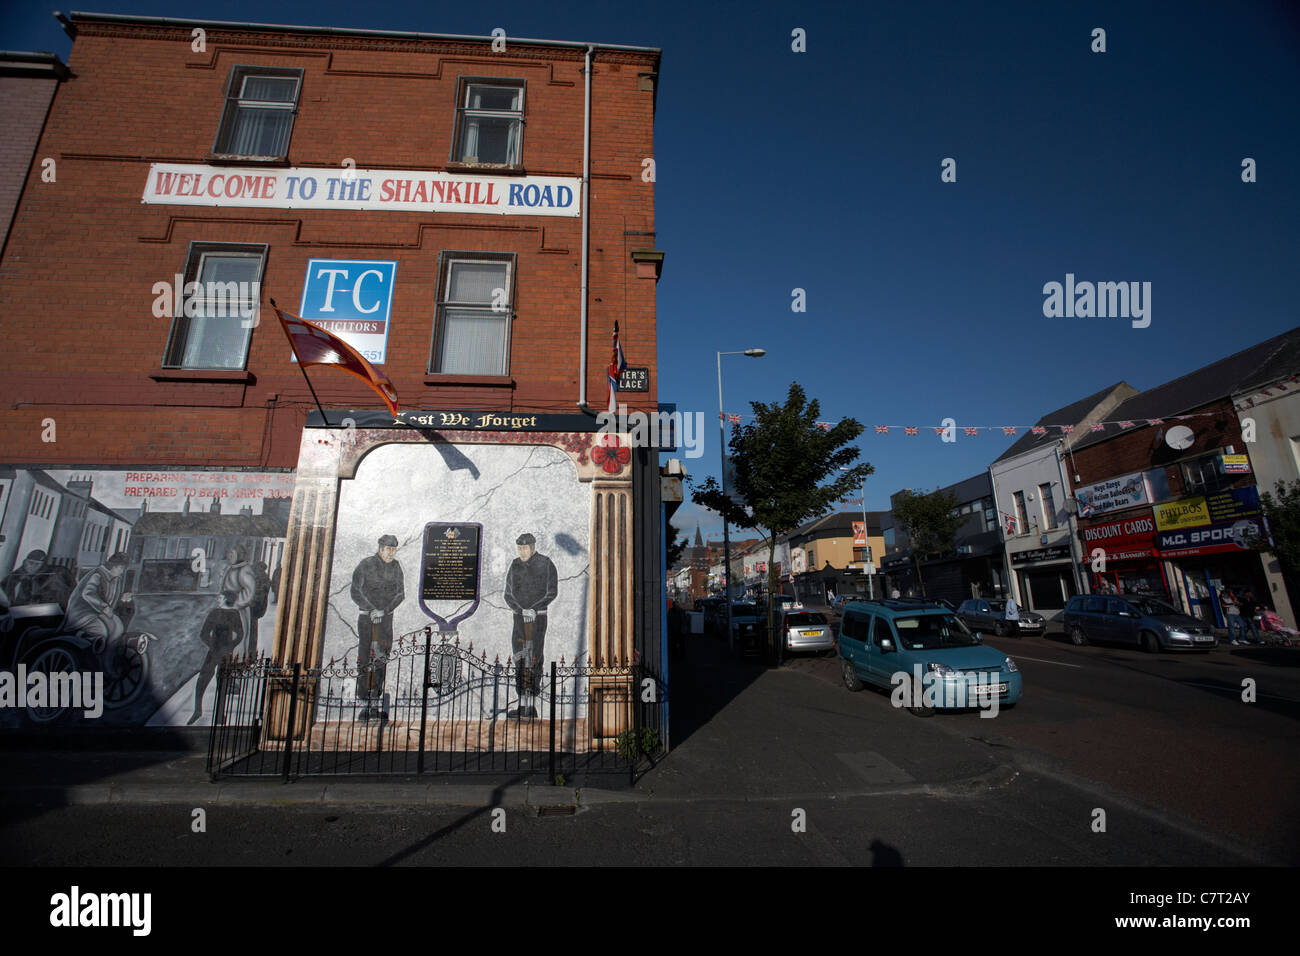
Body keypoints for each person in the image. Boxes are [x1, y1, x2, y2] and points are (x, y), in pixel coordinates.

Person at [350, 534, 405, 720]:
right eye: (388, 549)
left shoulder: (396, 567)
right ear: (380, 548)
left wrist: (384, 610)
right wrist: (371, 609)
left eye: (394, 550)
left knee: (381, 658)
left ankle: (376, 700)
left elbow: (400, 593)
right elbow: (355, 591)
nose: (391, 553)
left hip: (385, 620)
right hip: (366, 619)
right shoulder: (365, 565)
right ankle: (364, 703)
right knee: (365, 659)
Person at [503, 533, 557, 719]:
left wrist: (533, 609)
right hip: (519, 618)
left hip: (538, 618)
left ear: (533, 548)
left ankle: (531, 704)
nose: (522, 552)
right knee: (519, 657)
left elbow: (551, 592)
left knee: (534, 657)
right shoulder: (515, 565)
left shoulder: (546, 563)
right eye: (519, 548)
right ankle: (522, 703)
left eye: (525, 548)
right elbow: (508, 594)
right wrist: (521, 610)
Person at [188, 590, 244, 725]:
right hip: (215, 652)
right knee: (203, 679)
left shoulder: (234, 614)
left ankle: (220, 715)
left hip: (224, 653)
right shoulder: (215, 613)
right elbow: (204, 633)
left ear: (225, 599)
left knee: (223, 683)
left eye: (220, 597)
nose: (218, 599)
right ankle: (197, 711)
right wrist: (213, 645)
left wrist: (230, 647)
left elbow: (240, 634)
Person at [63, 552, 130, 643]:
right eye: (121, 568)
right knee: (101, 633)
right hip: (84, 614)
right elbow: (88, 593)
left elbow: (110, 597)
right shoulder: (98, 575)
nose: (122, 571)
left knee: (118, 629)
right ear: (113, 566)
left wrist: (122, 598)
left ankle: (107, 655)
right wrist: (104, 607)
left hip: (100, 613)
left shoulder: (116, 579)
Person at [2, 549, 76, 609]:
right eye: (30, 563)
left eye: (37, 564)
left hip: (46, 609)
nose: (33, 566)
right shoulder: (19, 572)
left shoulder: (55, 573)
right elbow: (4, 587)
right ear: (25, 562)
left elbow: (62, 599)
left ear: (43, 565)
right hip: (21, 609)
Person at [220, 546, 257, 658]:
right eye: (229, 554)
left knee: (238, 636)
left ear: (239, 555)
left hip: (238, 611)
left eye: (232, 554)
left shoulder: (244, 570)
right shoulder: (231, 568)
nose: (229, 557)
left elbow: (249, 592)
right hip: (228, 608)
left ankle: (237, 662)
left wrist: (235, 603)